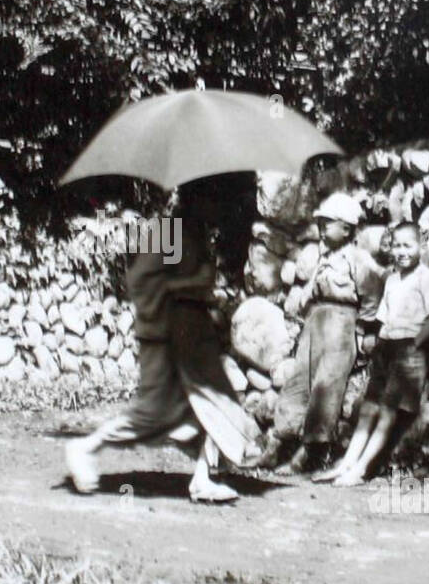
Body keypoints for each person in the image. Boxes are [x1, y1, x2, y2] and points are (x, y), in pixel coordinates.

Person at [64, 182, 256, 503]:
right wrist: (196, 283)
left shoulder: (192, 234)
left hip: (191, 335)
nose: (216, 210)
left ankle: (201, 477)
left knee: (213, 403)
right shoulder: (170, 231)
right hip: (166, 336)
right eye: (211, 200)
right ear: (196, 201)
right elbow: (148, 281)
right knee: (153, 413)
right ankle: (85, 447)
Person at [314, 222, 429, 486]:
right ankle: (348, 463)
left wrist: (418, 342)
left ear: (420, 247)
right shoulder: (392, 280)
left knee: (388, 411)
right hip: (387, 348)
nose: (401, 252)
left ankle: (361, 469)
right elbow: (384, 316)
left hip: (409, 349)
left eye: (407, 245)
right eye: (396, 245)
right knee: (369, 408)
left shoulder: (428, 277)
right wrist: (377, 339)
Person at [273, 192, 384, 475]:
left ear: (347, 228)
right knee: (300, 379)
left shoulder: (359, 260)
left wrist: (362, 331)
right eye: (320, 222)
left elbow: (371, 299)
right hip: (316, 322)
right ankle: (280, 441)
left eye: (328, 222)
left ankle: (310, 451)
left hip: (342, 324)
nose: (322, 228)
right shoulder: (325, 257)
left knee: (327, 385)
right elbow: (311, 292)